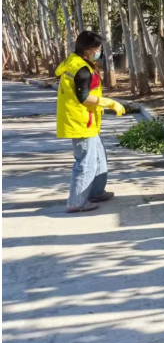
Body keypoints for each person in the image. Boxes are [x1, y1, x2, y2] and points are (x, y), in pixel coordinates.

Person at [56, 31, 126, 213]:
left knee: (98, 157)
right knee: (86, 162)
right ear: (87, 50)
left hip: (86, 119)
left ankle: (96, 191)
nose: (99, 52)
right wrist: (110, 103)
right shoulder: (82, 70)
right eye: (97, 48)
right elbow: (83, 97)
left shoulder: (75, 62)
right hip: (80, 121)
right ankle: (76, 202)